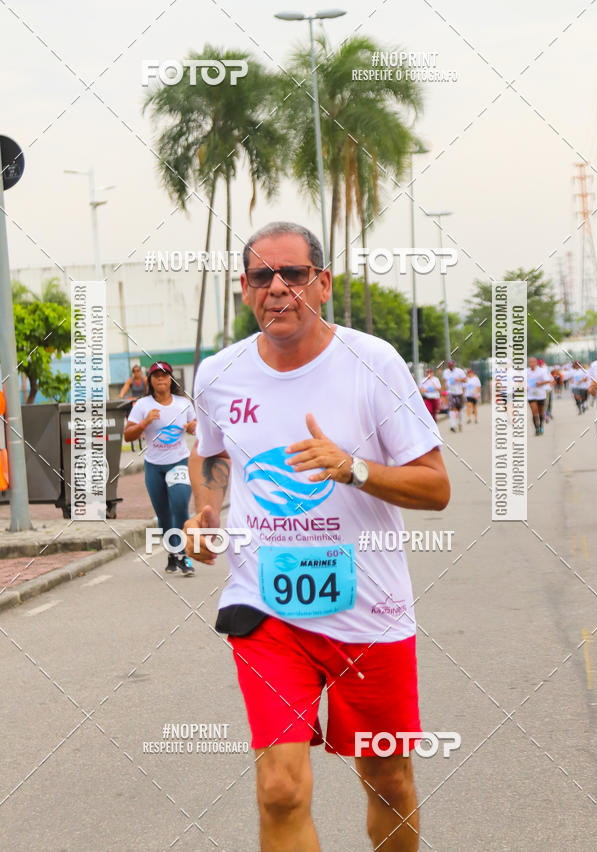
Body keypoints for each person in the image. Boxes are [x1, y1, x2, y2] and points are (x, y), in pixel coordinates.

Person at [184, 222, 450, 852]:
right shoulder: (220, 374)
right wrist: (205, 512)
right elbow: (211, 453)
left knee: (388, 779)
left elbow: (435, 488)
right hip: (267, 609)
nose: (277, 289)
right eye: (260, 277)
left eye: (293, 275)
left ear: (322, 284)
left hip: (370, 615)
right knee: (280, 787)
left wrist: (352, 468)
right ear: (245, 291)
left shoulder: (373, 363)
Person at [124, 361, 197, 575]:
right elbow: (129, 435)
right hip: (154, 466)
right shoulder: (142, 405)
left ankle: (184, 556)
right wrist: (145, 422)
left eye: (165, 375)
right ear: (150, 380)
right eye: (156, 376)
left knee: (180, 505)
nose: (161, 379)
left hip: (179, 462)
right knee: (163, 515)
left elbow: (195, 427)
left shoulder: (183, 403)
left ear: (171, 379)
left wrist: (194, 427)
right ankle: (173, 554)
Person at [527, 355, 551, 435]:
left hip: (541, 394)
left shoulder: (541, 371)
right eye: (530, 362)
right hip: (531, 395)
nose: (531, 363)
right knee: (534, 412)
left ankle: (541, 425)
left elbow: (548, 380)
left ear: (536, 363)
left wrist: (540, 383)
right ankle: (536, 428)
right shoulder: (526, 372)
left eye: (533, 362)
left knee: (541, 413)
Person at [442, 359, 466, 432]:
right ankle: (452, 425)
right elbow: (444, 381)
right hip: (450, 392)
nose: (450, 367)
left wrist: (457, 380)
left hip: (459, 392)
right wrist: (444, 391)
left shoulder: (459, 371)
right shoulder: (446, 372)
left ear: (454, 365)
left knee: (459, 408)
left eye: (451, 365)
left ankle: (460, 422)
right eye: (449, 366)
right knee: (451, 408)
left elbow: (465, 380)